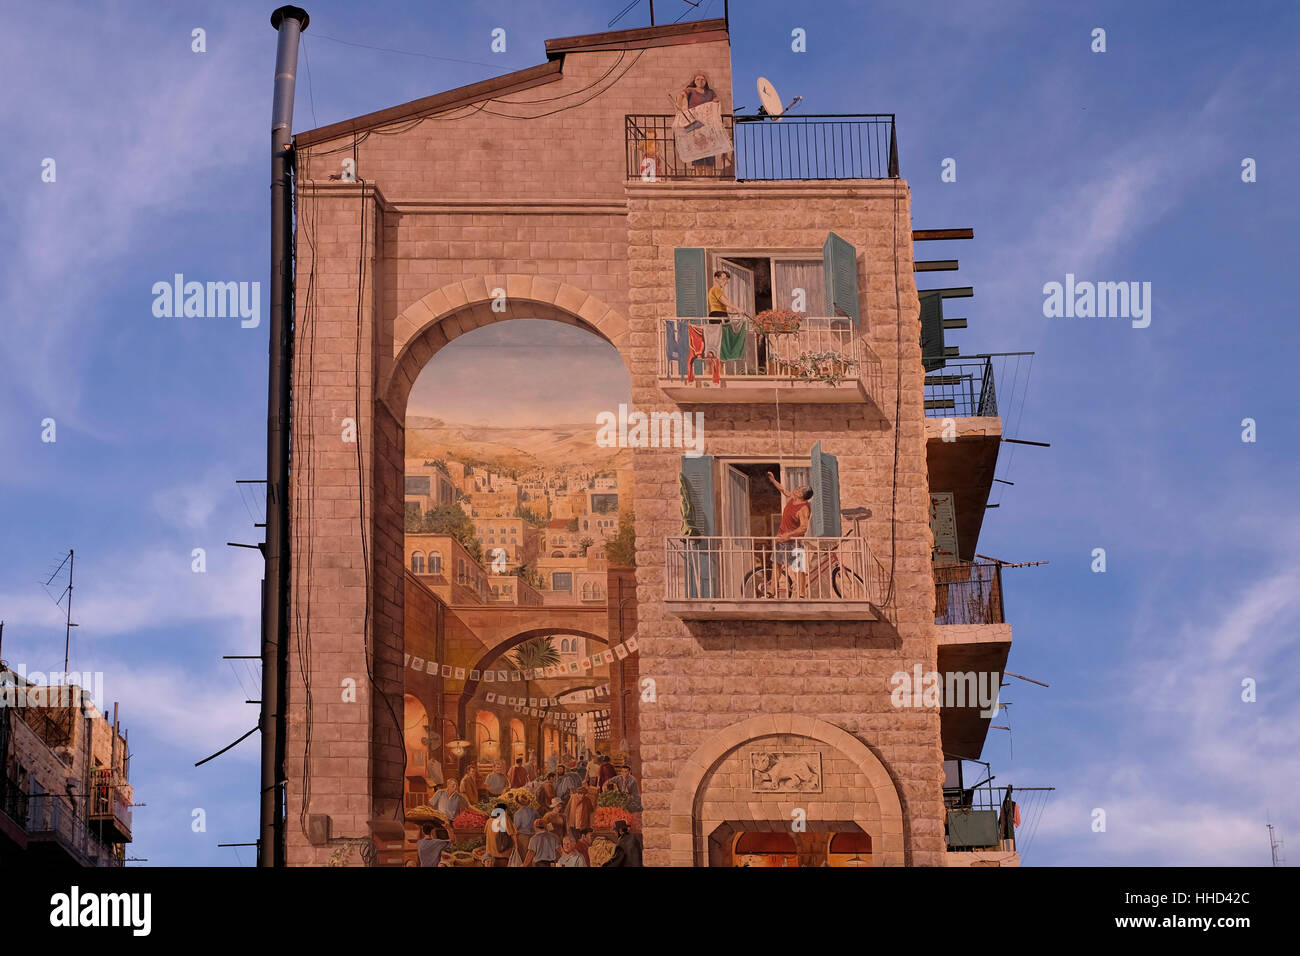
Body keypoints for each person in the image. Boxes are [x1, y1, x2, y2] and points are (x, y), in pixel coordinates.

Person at [767, 471, 813, 598]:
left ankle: (802, 594)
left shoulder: (804, 508)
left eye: (800, 489)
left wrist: (789, 535)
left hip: (794, 542)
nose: (797, 489)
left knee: (799, 569)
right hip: (781, 539)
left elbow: (803, 528)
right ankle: (771, 592)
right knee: (776, 565)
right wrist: (773, 480)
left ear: (802, 495)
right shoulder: (793, 498)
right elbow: (784, 490)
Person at [675, 70, 720, 174]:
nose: (700, 81)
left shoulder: (710, 92)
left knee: (710, 150)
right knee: (697, 150)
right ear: (694, 81)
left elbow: (716, 101)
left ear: (706, 81)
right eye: (698, 79)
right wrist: (680, 102)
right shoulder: (690, 90)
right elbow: (681, 96)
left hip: (707, 124)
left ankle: (709, 176)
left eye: (703, 79)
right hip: (694, 124)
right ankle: (698, 176)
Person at [483, 802, 516, 868]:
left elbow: (485, 833)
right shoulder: (505, 819)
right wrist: (516, 846)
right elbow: (512, 834)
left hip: (490, 855)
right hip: (502, 854)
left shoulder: (489, 821)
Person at [512, 793, 538, 859]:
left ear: (518, 803)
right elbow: (538, 821)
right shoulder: (534, 811)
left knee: (523, 857)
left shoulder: (518, 813)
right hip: (533, 836)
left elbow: (516, 827)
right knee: (532, 856)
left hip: (523, 837)